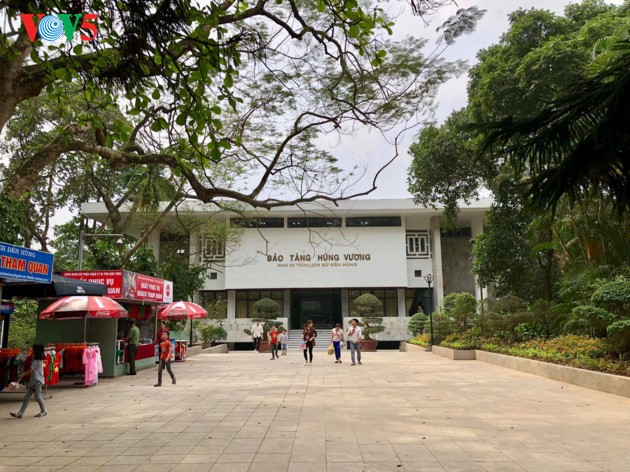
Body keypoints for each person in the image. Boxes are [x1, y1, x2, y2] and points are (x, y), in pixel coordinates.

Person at [10, 343, 47, 418]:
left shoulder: (38, 360)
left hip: (37, 381)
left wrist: (22, 374)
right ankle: (20, 413)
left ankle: (44, 411)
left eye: (33, 349)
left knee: (37, 396)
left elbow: (31, 370)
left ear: (36, 350)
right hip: (33, 380)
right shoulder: (34, 357)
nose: (32, 350)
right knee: (27, 397)